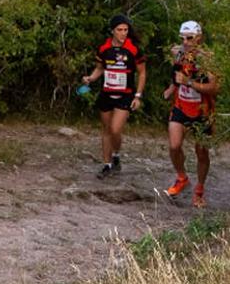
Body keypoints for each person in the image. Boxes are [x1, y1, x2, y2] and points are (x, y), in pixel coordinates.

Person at [81, 14, 146, 178]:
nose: (123, 33)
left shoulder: (134, 49)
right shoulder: (104, 48)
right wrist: (91, 78)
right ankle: (106, 165)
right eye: (119, 30)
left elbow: (142, 73)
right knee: (106, 129)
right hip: (107, 93)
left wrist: (138, 96)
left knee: (115, 129)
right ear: (112, 31)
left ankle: (116, 154)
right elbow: (100, 68)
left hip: (125, 95)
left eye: (126, 30)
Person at [162, 20, 218, 208]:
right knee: (174, 145)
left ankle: (199, 191)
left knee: (201, 152)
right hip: (181, 106)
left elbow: (215, 88)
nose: (186, 42)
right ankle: (182, 177)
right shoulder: (177, 53)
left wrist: (189, 83)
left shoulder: (206, 59)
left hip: (203, 111)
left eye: (190, 38)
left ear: (199, 38)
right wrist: (172, 87)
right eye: (183, 38)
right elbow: (176, 73)